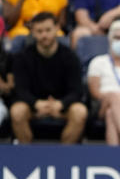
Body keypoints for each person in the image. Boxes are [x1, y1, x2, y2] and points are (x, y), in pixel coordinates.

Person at [8, 12, 88, 144]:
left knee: (80, 111)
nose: (44, 35)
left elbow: (77, 91)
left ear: (57, 28)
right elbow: (20, 90)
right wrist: (36, 103)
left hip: (62, 106)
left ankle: (64, 156)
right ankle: (26, 155)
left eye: (48, 30)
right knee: (17, 111)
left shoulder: (70, 57)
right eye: (39, 31)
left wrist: (61, 104)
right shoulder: (23, 57)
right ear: (32, 32)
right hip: (33, 106)